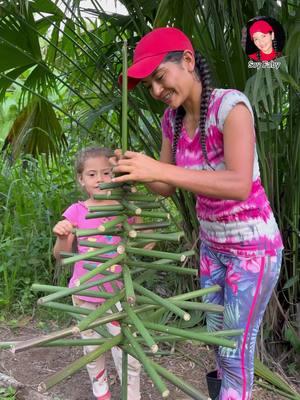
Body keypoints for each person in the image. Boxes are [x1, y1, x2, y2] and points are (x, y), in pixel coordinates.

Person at [113, 27, 283, 400]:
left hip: (253, 251)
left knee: (234, 348)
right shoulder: (171, 121)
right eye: (150, 87)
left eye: (160, 78)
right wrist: (133, 170)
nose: (157, 91)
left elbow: (238, 183)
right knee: (216, 341)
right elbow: (165, 185)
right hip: (212, 248)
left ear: (187, 61)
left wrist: (157, 170)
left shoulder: (231, 107)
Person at [53, 147, 141, 400]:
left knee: (128, 353)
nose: (100, 179)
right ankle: (102, 394)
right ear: (81, 179)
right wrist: (62, 236)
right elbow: (60, 255)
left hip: (119, 297)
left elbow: (144, 242)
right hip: (86, 295)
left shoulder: (124, 210)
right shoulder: (76, 212)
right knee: (93, 352)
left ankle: (131, 396)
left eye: (106, 172)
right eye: (92, 174)